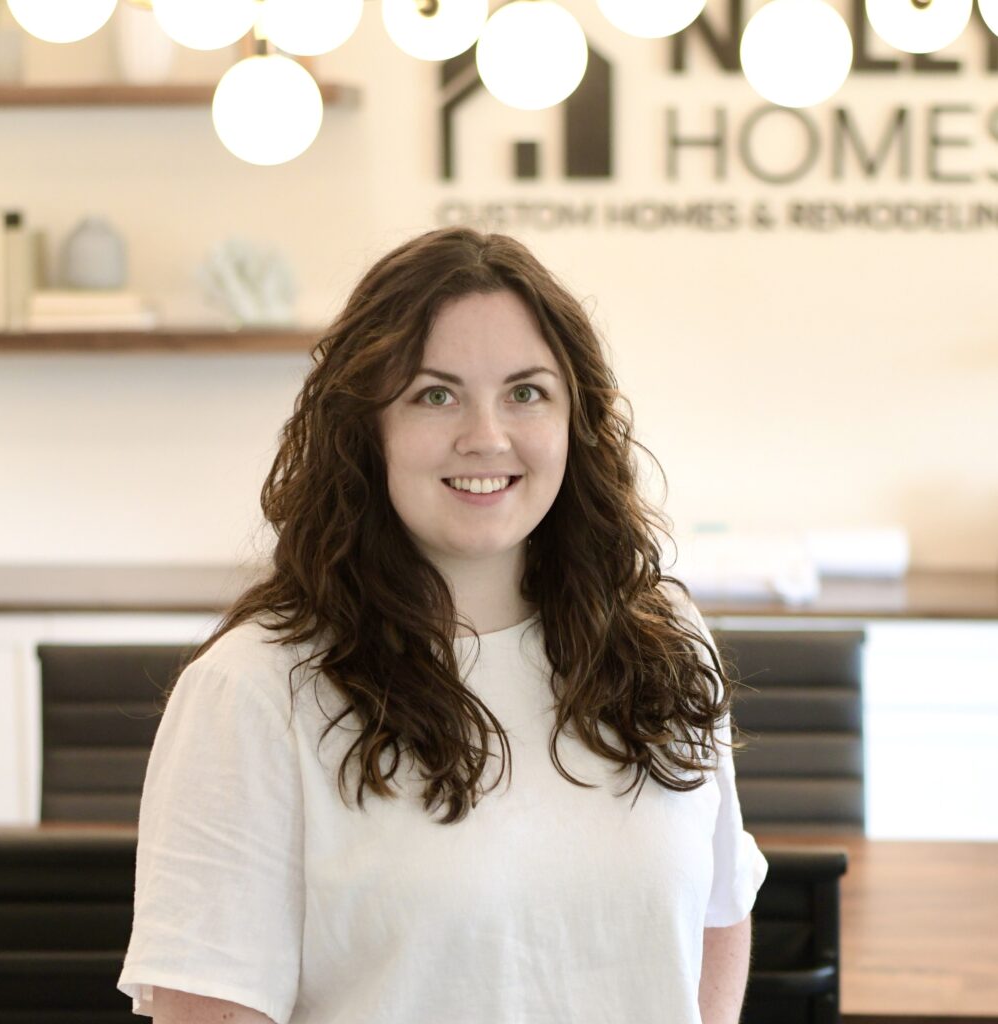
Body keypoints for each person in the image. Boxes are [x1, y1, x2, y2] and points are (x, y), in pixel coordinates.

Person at [117, 226, 768, 1024]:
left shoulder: (662, 639)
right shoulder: (253, 692)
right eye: (435, 394)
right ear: (368, 428)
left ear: (577, 421)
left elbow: (717, 913)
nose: (485, 437)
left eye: (526, 392)